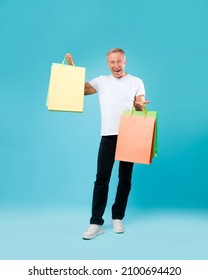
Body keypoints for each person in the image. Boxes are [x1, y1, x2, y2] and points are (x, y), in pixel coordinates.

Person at [66, 48, 149, 240]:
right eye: (112, 62)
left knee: (125, 179)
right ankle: (96, 222)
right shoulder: (101, 81)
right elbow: (79, 89)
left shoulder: (136, 82)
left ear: (125, 62)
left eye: (119, 61)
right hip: (108, 136)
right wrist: (71, 70)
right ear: (108, 64)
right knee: (101, 179)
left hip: (129, 135)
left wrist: (139, 105)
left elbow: (140, 103)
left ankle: (118, 217)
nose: (116, 65)